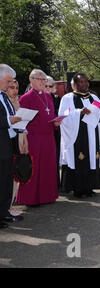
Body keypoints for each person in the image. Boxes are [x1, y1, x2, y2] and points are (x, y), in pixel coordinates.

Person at [59, 73, 100, 198]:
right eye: (81, 82)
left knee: (92, 158)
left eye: (86, 81)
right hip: (77, 135)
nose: (84, 84)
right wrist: (79, 112)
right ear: (75, 84)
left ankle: (90, 187)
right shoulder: (68, 98)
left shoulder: (94, 98)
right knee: (79, 158)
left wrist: (99, 117)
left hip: (92, 133)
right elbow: (63, 116)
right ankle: (78, 189)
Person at [16, 69, 60, 206]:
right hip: (34, 139)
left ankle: (47, 196)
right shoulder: (25, 98)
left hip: (49, 138)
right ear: (31, 80)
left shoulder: (48, 97)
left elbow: (50, 115)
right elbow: (21, 121)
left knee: (48, 167)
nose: (43, 82)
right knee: (34, 168)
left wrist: (56, 123)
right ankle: (31, 199)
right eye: (40, 79)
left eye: (44, 80)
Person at [0, 64, 24, 228]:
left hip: (7, 144)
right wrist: (10, 121)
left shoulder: (3, 96)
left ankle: (3, 212)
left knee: (6, 180)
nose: (10, 84)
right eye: (8, 81)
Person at [6, 79, 27, 216]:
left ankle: (10, 204)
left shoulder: (18, 102)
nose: (15, 91)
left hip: (20, 138)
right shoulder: (4, 104)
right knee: (9, 174)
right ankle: (7, 206)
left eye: (17, 87)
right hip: (9, 141)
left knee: (17, 173)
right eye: (11, 88)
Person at [45, 76, 62, 190]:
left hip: (55, 132)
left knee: (55, 158)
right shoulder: (38, 98)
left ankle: (56, 183)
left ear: (54, 88)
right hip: (42, 132)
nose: (47, 88)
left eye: (50, 86)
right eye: (45, 86)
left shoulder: (57, 98)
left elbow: (60, 112)